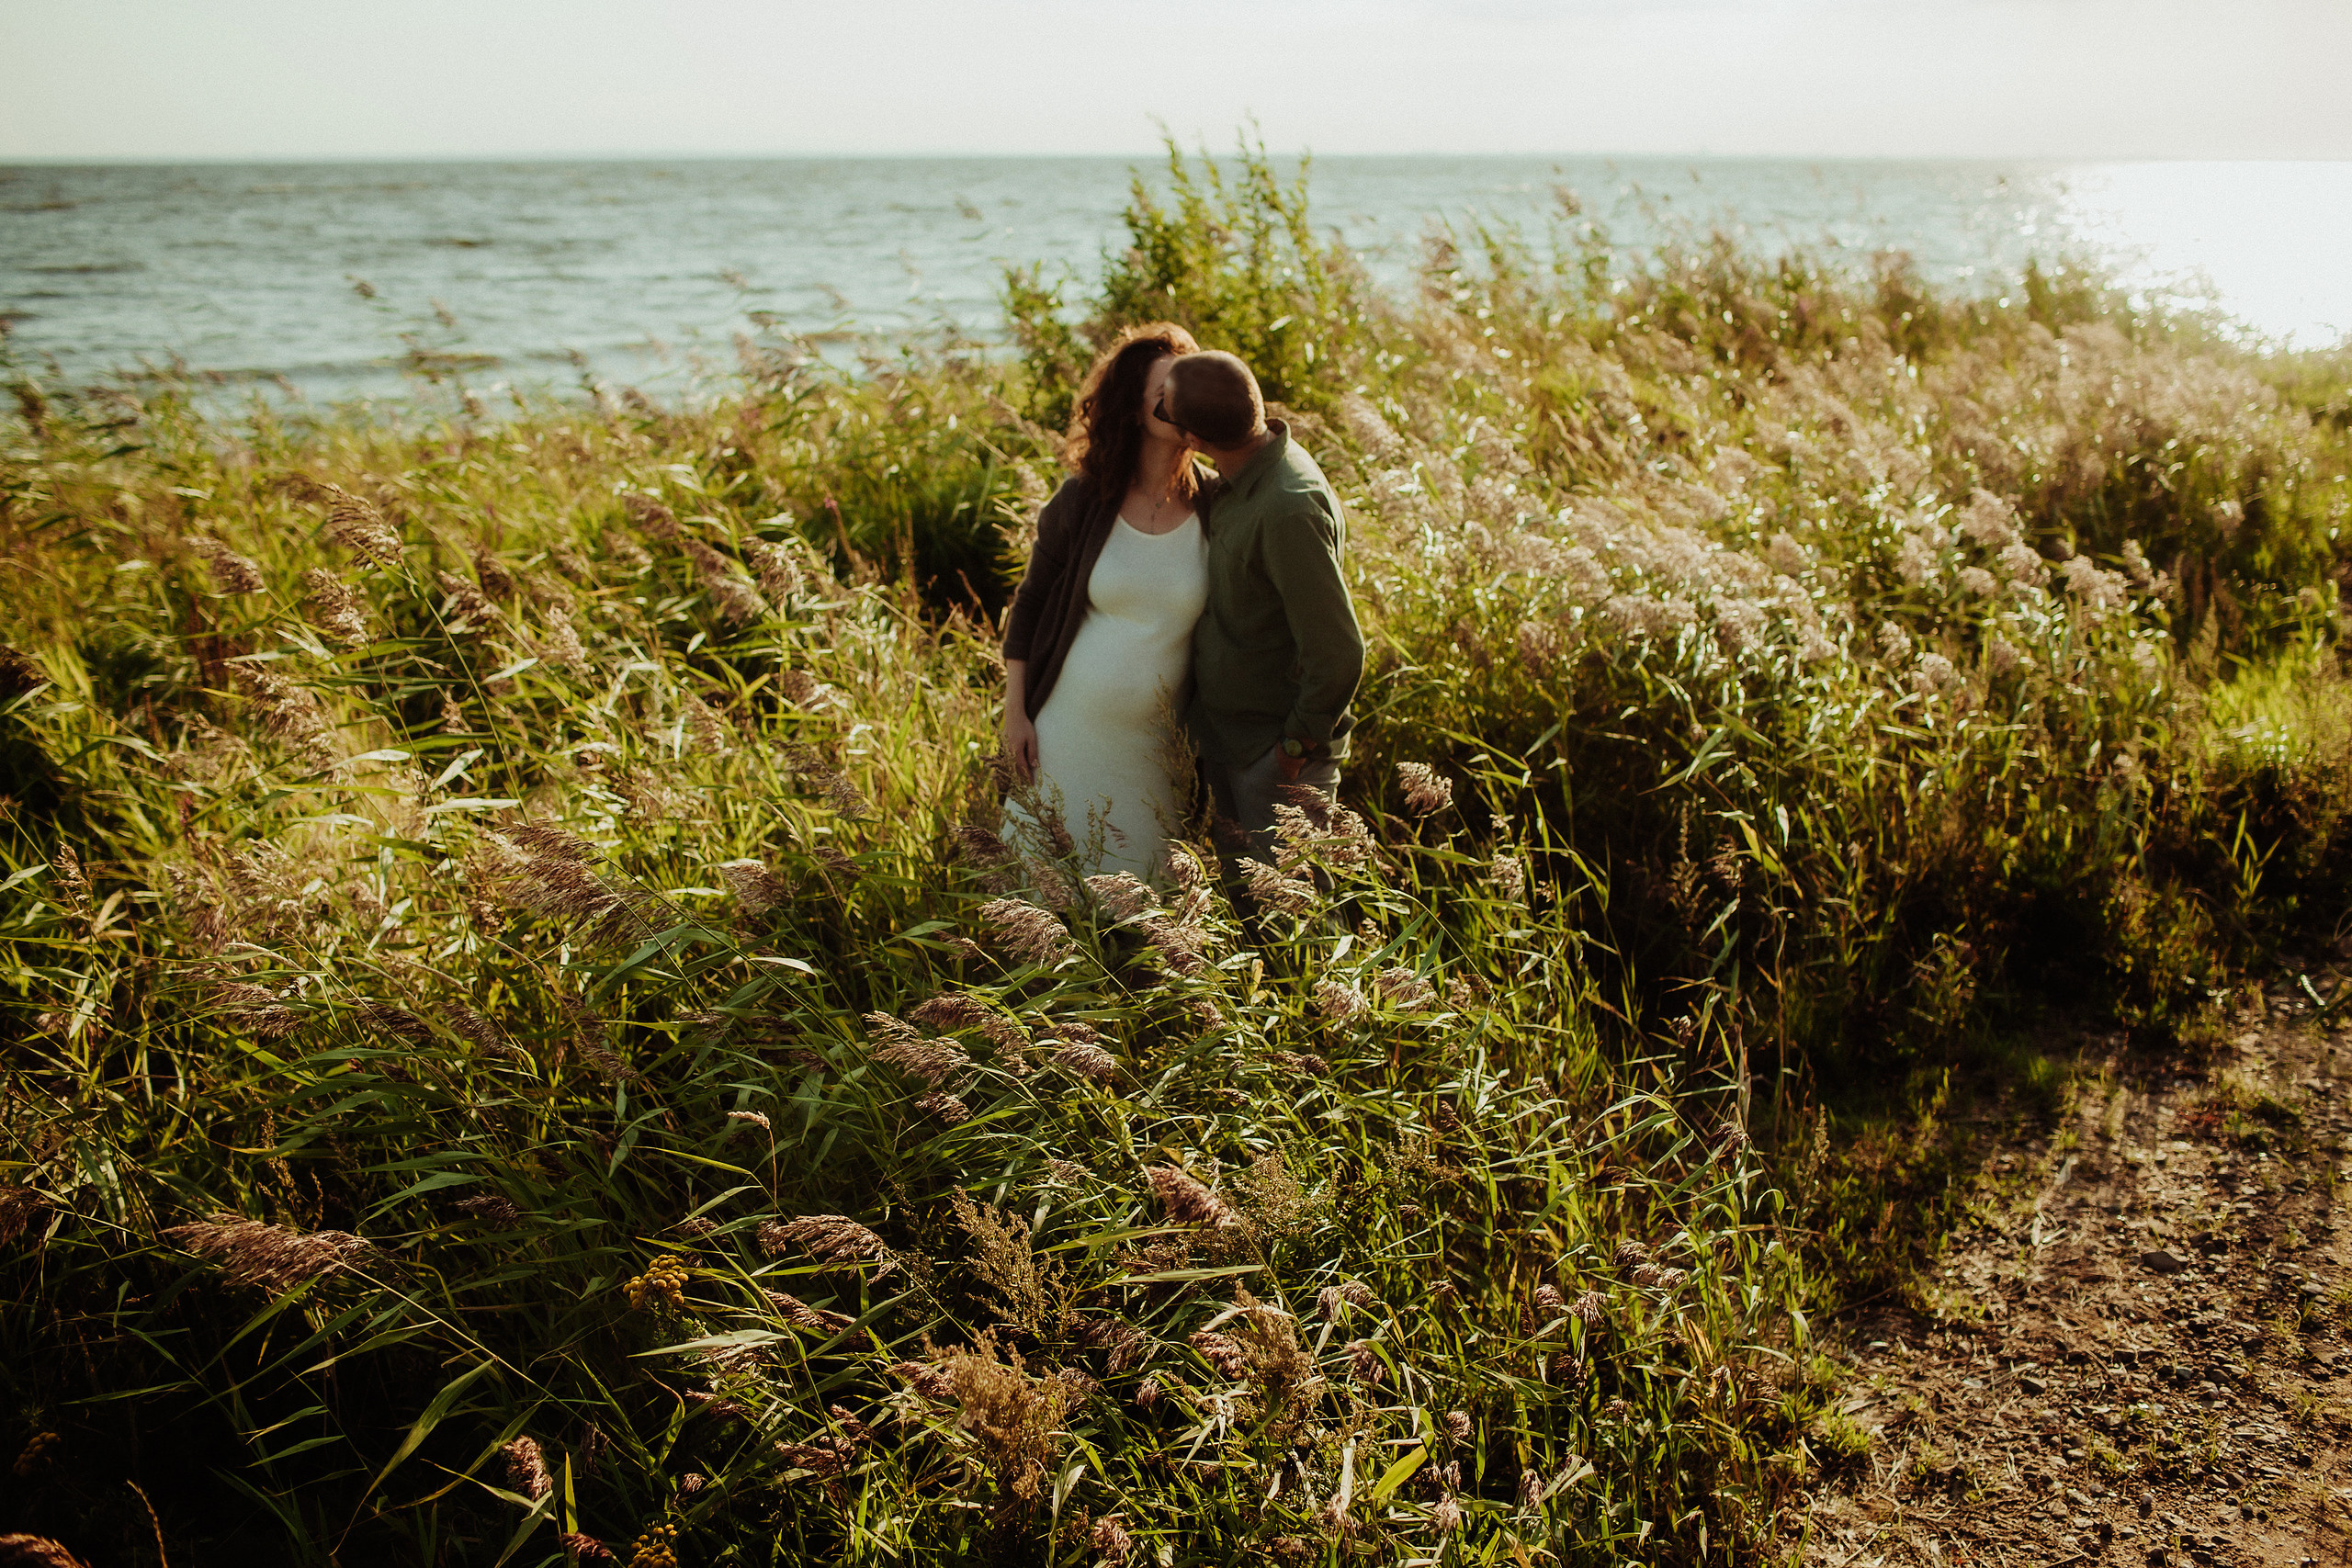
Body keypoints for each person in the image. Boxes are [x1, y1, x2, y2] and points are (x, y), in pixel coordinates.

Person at [999, 323, 1209, 880]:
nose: (1183, 402)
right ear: (1134, 409)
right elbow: (1030, 606)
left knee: (1147, 915)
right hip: (1067, 735)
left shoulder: (1217, 503)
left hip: (1157, 751)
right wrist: (1015, 713)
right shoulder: (1083, 500)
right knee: (1047, 901)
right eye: (1167, 391)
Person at [1164, 350, 1364, 866]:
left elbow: (1339, 652)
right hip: (1229, 743)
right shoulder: (1241, 478)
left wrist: (1292, 751)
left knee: (1300, 926)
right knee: (1249, 916)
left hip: (1271, 754)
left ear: (1194, 440)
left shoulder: (1287, 508)